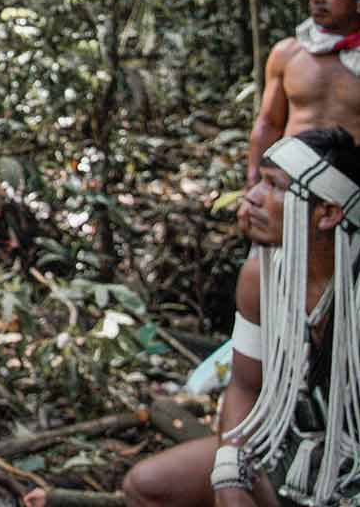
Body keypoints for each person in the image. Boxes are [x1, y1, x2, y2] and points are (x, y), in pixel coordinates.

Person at [118, 126, 360, 507]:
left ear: (327, 213)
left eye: (275, 186)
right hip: (291, 445)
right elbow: (246, 385)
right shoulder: (260, 278)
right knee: (147, 487)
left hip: (348, 465)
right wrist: (230, 470)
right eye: (259, 182)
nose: (253, 197)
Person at [247, 0, 360, 188]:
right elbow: (268, 123)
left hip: (350, 187)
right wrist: (254, 182)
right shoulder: (288, 53)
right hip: (288, 179)